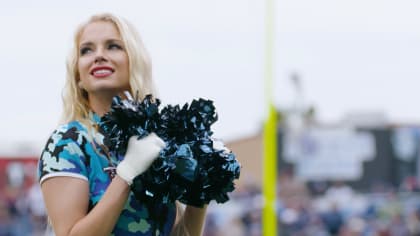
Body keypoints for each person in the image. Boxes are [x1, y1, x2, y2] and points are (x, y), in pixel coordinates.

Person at [38, 13, 207, 236]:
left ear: (134, 60)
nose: (98, 56)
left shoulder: (157, 139)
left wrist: (201, 192)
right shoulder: (67, 142)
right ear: (78, 74)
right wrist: (126, 174)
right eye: (86, 50)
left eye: (113, 46)